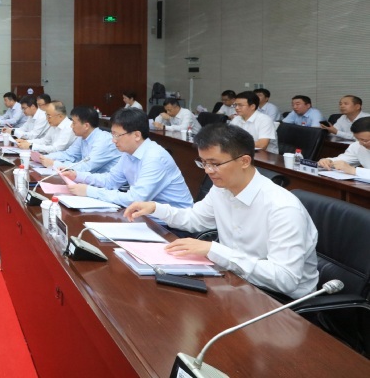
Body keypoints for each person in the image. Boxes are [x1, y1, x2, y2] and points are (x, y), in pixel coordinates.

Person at [125, 123, 319, 299]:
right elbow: (194, 219)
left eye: (215, 164)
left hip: (280, 299)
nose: (208, 171)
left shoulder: (282, 207)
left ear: (244, 161)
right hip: (236, 281)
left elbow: (285, 279)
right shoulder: (222, 189)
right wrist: (155, 208)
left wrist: (214, 250)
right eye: (203, 163)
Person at [63, 108, 193, 209]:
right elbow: (111, 181)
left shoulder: (155, 157)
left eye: (117, 135)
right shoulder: (128, 152)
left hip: (171, 226)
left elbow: (135, 199)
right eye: (112, 134)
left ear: (137, 135)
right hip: (146, 215)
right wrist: (78, 176)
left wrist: (89, 191)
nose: (113, 140)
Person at [42, 106, 120, 173]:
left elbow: (87, 167)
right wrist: (45, 157)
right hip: (90, 177)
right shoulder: (82, 137)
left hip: (107, 182)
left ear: (86, 126)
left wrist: (55, 164)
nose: (71, 126)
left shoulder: (103, 141)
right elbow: (69, 155)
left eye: (74, 123)